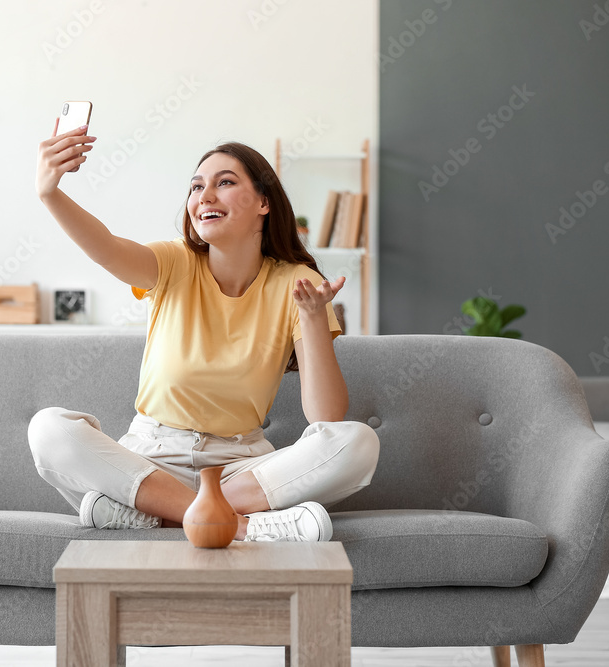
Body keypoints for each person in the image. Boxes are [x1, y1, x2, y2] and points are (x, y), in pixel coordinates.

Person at [28, 122, 379, 542]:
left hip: (240, 466)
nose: (204, 196)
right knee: (49, 429)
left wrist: (313, 318)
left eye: (224, 182)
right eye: (196, 187)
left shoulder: (297, 283)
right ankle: (242, 526)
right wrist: (50, 192)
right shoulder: (173, 262)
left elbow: (326, 418)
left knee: (358, 442)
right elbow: (106, 247)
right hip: (151, 460)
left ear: (264, 202)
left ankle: (158, 516)